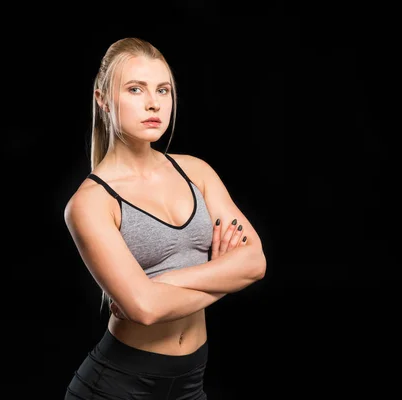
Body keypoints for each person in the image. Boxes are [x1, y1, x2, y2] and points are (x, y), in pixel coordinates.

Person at [62, 37, 266, 400]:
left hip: (190, 383)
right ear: (103, 99)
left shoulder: (196, 172)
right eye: (135, 89)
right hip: (117, 386)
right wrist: (226, 275)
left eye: (163, 90)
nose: (154, 103)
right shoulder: (90, 203)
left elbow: (255, 262)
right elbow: (145, 309)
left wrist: (162, 284)